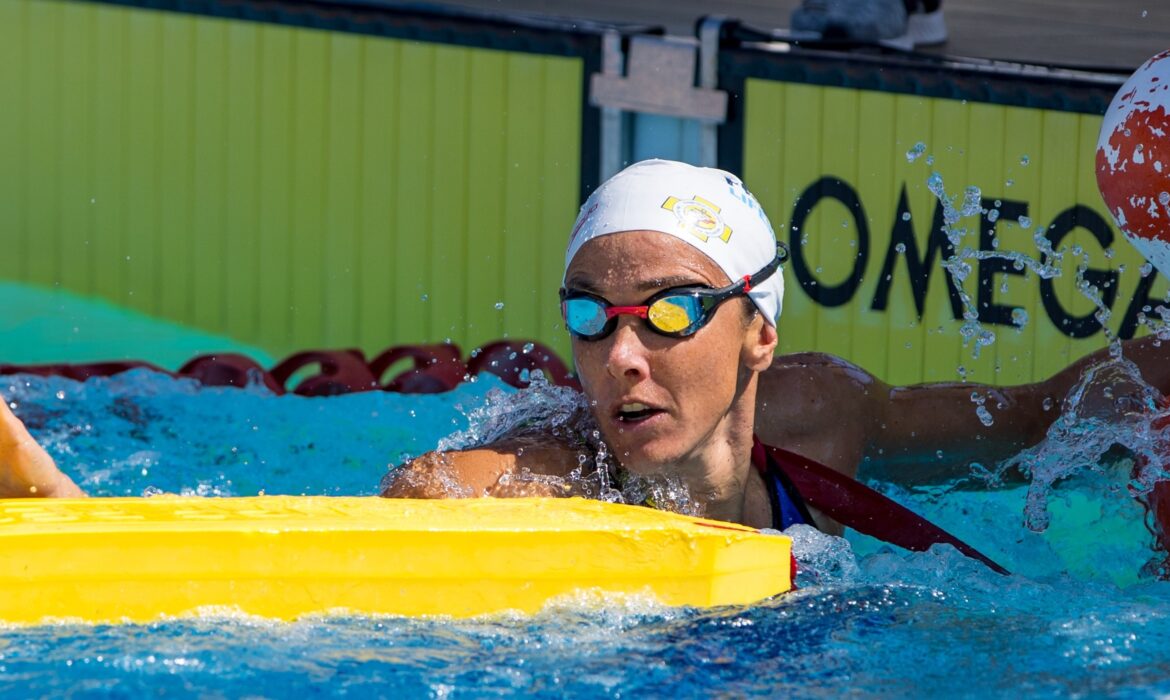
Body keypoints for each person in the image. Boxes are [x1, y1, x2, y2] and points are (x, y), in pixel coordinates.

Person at [2, 160, 1169, 566]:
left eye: (669, 316)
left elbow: (1032, 418)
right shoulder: (555, 472)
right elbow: (410, 504)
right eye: (590, 316)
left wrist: (1138, 381)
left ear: (758, 330)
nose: (621, 356)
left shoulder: (821, 417)